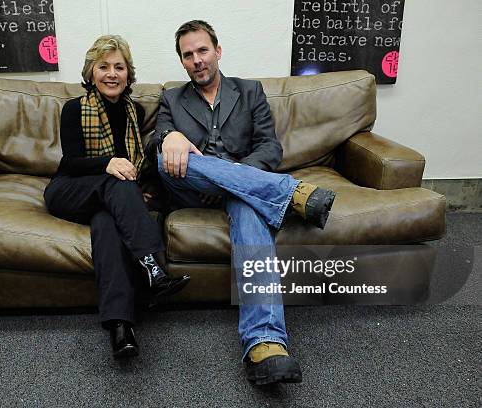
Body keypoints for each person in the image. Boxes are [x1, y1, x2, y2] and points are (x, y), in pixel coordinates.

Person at [153, 20, 336, 385]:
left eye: (202, 51)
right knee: (164, 158)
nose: (197, 60)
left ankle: (265, 343)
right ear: (182, 62)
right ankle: (290, 193)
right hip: (193, 189)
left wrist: (234, 175)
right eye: (188, 55)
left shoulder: (249, 91)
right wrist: (170, 135)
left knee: (248, 206)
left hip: (244, 194)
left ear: (217, 51)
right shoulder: (171, 99)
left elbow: (269, 147)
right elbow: (157, 146)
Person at [44, 35, 190, 359]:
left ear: (128, 74)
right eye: (104, 66)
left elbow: (139, 164)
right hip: (71, 189)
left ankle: (120, 327)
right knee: (119, 181)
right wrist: (107, 163)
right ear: (91, 73)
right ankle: (153, 267)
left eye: (119, 67)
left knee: (108, 225)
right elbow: (70, 162)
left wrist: (148, 186)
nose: (112, 74)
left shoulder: (135, 111)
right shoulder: (74, 109)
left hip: (111, 200)